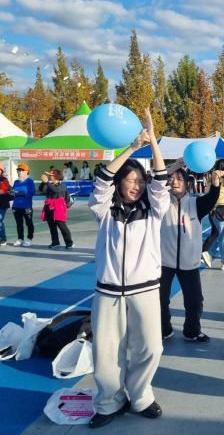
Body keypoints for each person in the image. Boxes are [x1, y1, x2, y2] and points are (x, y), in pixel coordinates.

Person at [87, 108, 169, 429]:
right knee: (106, 354)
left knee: (151, 347)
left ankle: (141, 396)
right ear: (120, 183)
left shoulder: (154, 208)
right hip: (107, 293)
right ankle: (109, 402)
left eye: (139, 181)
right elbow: (102, 178)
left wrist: (152, 141)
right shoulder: (103, 208)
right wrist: (133, 148)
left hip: (146, 290)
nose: (135, 186)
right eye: (129, 180)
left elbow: (161, 180)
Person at [159, 159, 222, 344]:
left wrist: (215, 182)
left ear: (187, 183)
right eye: (171, 179)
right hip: (164, 262)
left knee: (194, 302)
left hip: (190, 263)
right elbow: (156, 182)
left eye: (179, 178)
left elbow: (212, 198)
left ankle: (192, 332)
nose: (174, 181)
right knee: (160, 300)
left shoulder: (196, 204)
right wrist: (175, 167)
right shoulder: (160, 203)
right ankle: (164, 330)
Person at [39, 169, 74, 249]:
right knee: (52, 226)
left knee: (61, 225)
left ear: (57, 176)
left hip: (58, 208)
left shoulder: (62, 186)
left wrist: (47, 182)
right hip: (49, 207)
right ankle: (55, 242)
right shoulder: (50, 185)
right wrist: (43, 182)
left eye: (52, 175)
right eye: (50, 175)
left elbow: (56, 190)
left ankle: (69, 242)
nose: (50, 177)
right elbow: (42, 189)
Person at [11, 163, 36, 247]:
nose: (20, 172)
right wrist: (12, 193)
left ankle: (29, 238)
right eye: (18, 170)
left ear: (27, 171)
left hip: (26, 206)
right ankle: (20, 238)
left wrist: (23, 193)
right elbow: (13, 191)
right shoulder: (16, 182)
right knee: (19, 223)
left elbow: (32, 192)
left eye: (22, 170)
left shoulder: (30, 181)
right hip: (16, 205)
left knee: (29, 223)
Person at [0, 162, 10, 246]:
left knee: (0, 221)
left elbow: (3, 191)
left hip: (2, 204)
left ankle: (3, 239)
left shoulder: (4, 180)